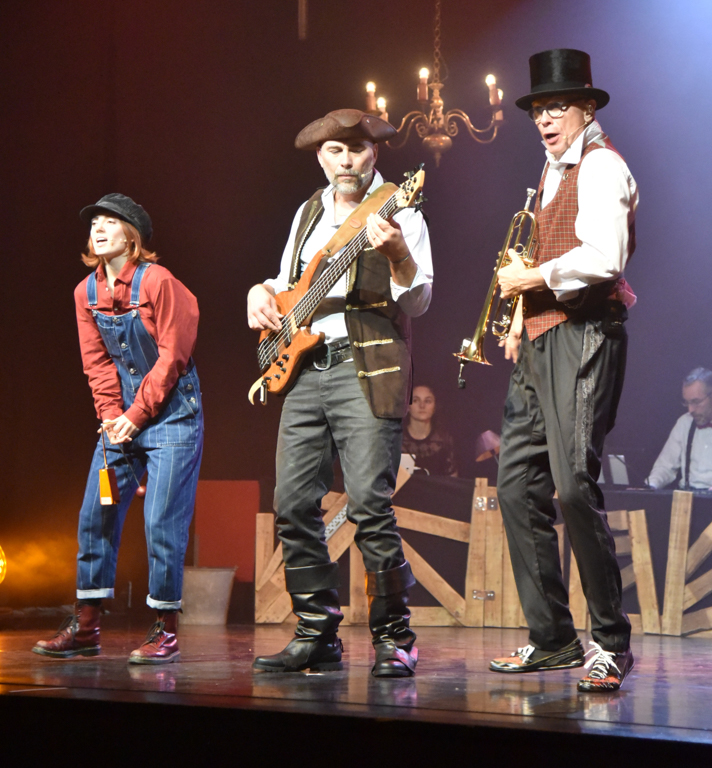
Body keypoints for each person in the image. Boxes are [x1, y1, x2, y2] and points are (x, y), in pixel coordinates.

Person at [247, 109, 433, 677]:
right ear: (321, 158)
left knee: (370, 504)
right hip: (306, 372)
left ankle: (396, 637)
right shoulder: (308, 211)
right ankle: (316, 632)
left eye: (355, 149)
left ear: (374, 153)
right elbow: (287, 284)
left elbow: (419, 301)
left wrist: (398, 253)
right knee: (294, 504)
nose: (345, 161)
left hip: (365, 369)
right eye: (334, 151)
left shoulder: (399, 209)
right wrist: (259, 291)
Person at [490, 50, 638, 692]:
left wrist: (533, 278)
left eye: (557, 108)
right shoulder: (550, 171)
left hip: (585, 335)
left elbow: (605, 255)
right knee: (516, 484)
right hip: (543, 339)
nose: (545, 119)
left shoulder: (603, 166)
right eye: (538, 110)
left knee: (573, 485)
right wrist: (521, 316)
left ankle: (611, 641)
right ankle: (553, 638)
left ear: (587, 108)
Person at [33, 194, 203, 665]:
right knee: (96, 514)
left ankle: (163, 630)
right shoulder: (84, 292)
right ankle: (86, 626)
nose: (99, 229)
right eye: (95, 224)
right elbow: (97, 362)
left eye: (111, 222)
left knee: (162, 523)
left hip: (171, 416)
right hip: (122, 421)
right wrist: (111, 416)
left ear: (133, 235)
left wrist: (137, 414)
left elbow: (173, 357)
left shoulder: (160, 282)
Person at [647, 368, 712, 491]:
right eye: (687, 403)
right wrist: (651, 486)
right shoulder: (685, 423)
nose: (690, 410)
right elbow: (665, 466)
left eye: (696, 402)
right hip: (686, 499)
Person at [402, 385, 457, 476]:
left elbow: (452, 482)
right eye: (415, 400)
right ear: (407, 405)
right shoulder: (394, 439)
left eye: (427, 401)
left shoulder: (444, 440)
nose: (422, 405)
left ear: (435, 406)